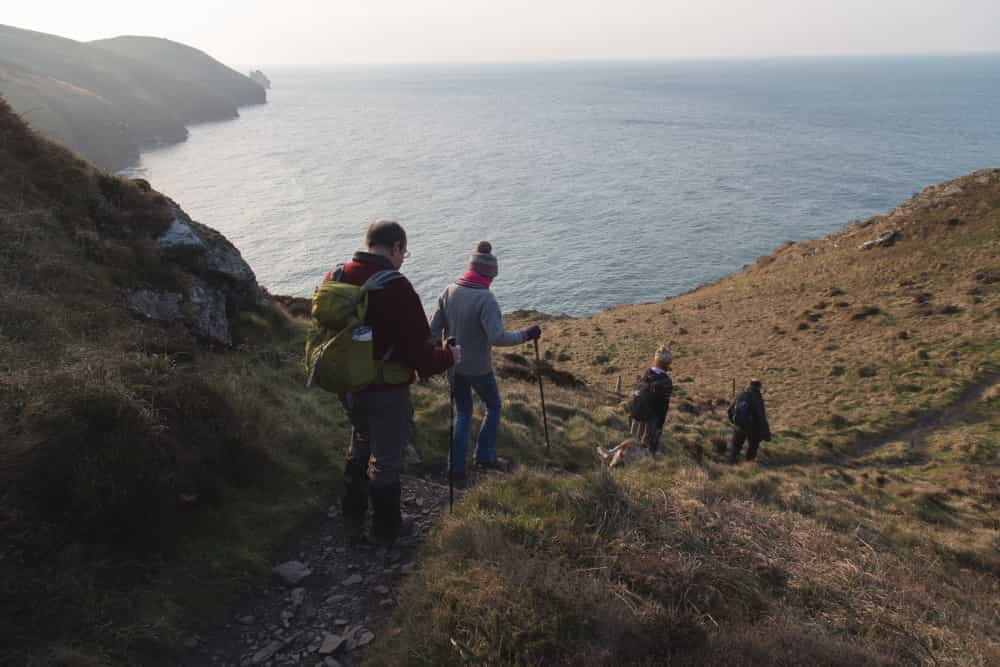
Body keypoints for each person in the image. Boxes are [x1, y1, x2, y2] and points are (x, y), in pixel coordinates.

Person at [333, 220, 460, 546]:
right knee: (386, 459)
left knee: (360, 445)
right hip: (387, 391)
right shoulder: (397, 287)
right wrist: (449, 357)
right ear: (396, 248)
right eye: (404, 252)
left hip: (348, 386)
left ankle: (352, 519)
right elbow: (421, 356)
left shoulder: (337, 276)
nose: (403, 259)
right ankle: (387, 528)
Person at [430, 241, 542, 483]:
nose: (492, 281)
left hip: (453, 365)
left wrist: (439, 355)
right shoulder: (485, 298)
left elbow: (433, 329)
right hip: (479, 367)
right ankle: (484, 456)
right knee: (494, 406)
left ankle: (456, 467)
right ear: (488, 274)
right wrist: (526, 334)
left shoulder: (448, 290)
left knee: (463, 412)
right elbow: (497, 337)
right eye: (492, 276)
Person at [626, 345, 674, 454]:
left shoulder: (645, 374)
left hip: (634, 416)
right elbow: (663, 407)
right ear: (667, 364)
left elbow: (636, 395)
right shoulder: (666, 382)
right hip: (650, 422)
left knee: (631, 447)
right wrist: (659, 428)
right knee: (646, 452)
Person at [728, 378, 772, 463]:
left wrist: (735, 421)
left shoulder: (740, 395)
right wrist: (766, 432)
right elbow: (761, 417)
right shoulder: (757, 398)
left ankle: (731, 463)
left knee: (736, 446)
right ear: (759, 387)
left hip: (739, 425)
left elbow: (730, 410)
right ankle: (748, 465)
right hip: (753, 428)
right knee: (753, 446)